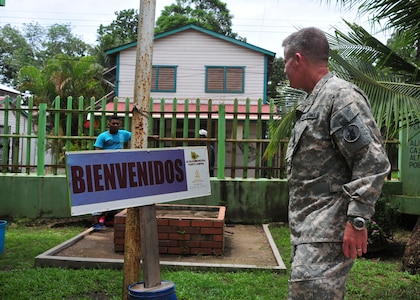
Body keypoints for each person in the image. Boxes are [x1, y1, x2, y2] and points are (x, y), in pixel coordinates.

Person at [282, 27, 390, 299]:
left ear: (298, 59)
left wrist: (358, 221)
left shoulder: (340, 97)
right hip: (309, 230)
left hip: (326, 229)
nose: (284, 69)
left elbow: (372, 161)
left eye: (285, 62)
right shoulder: (314, 100)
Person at [91, 114, 132, 229]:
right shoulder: (103, 136)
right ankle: (95, 222)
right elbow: (97, 152)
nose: (115, 125)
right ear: (109, 124)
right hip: (104, 169)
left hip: (118, 169)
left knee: (115, 193)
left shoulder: (124, 134)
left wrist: (153, 137)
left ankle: (109, 219)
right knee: (100, 193)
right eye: (113, 123)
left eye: (117, 124)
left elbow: (139, 136)